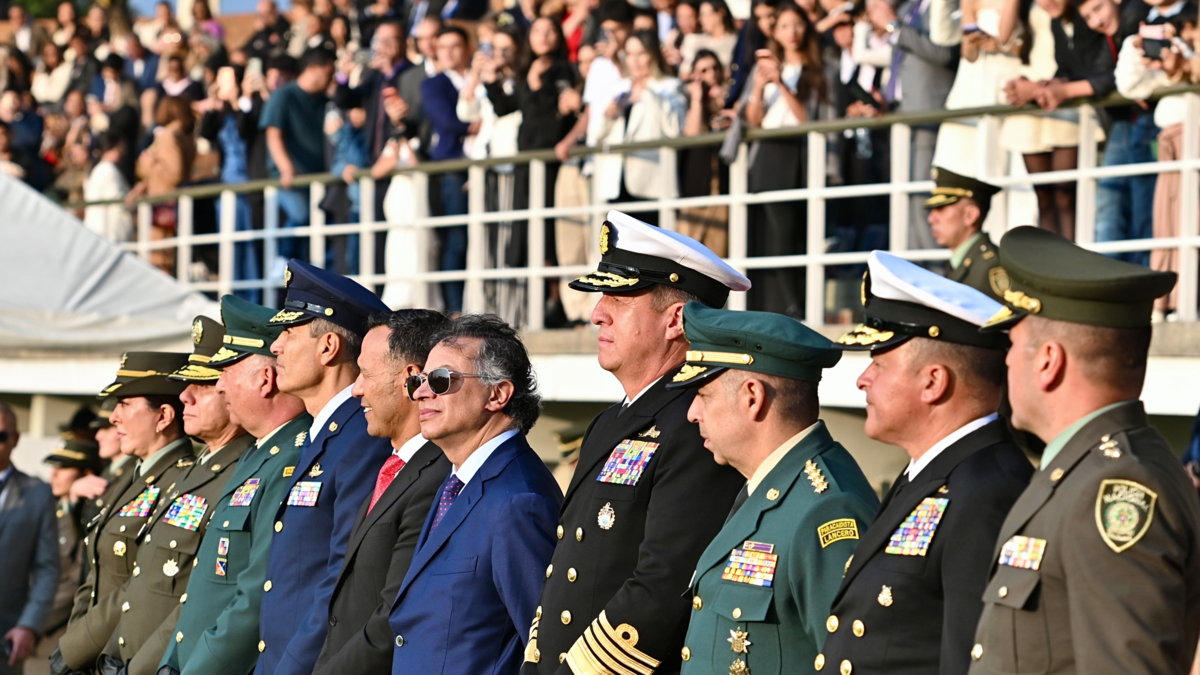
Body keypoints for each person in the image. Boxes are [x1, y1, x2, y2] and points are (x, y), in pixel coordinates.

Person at [523, 211, 750, 675]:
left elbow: (663, 587)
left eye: (619, 299)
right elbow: (563, 570)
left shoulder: (695, 424)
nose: (597, 313)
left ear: (675, 320)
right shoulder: (610, 422)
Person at [969, 227, 1200, 674]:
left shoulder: (1114, 487)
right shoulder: (1085, 468)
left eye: (1011, 345)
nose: (1006, 360)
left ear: (1048, 361)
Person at [821, 251, 1033, 675]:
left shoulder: (989, 491)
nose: (863, 379)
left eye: (879, 363)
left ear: (933, 382)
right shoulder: (936, 471)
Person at [673, 303, 879, 674]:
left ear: (752, 397)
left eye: (703, 394)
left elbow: (855, 664)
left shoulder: (826, 509)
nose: (692, 413)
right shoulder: (771, 485)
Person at [389, 314, 562, 675]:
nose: (420, 393)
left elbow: (545, 649)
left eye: (441, 380)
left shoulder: (518, 501)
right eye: (418, 381)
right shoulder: (458, 481)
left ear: (497, 394)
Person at [94, 318, 255, 675]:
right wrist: (108, 651)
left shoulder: (240, 475)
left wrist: (139, 667)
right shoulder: (193, 472)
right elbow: (140, 583)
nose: (185, 395)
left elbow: (200, 596)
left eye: (203, 384)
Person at [255, 260, 393, 675]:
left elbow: (341, 579)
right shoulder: (324, 433)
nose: (275, 347)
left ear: (328, 347)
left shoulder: (362, 438)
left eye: (289, 333)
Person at [158, 296, 310, 675]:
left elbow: (256, 592)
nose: (220, 385)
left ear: (265, 379)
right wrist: (170, 662)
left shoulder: (291, 457)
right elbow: (202, 591)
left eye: (226, 370)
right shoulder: (259, 453)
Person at [311, 310, 452, 675]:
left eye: (366, 374)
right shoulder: (395, 465)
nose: (356, 388)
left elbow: (393, 615)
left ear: (409, 379)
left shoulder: (437, 476)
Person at [54, 353, 195, 674]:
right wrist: (74, 642)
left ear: (163, 416)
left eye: (125, 404)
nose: (114, 417)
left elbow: (146, 584)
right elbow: (95, 574)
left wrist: (78, 645)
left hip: (126, 657)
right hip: (92, 652)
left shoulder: (180, 483)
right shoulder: (132, 478)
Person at [741, 1, 829, 317]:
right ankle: (792, 304)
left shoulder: (818, 67)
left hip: (801, 152)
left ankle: (804, 301)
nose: (792, 32)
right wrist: (758, 87)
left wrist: (780, 82)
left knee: (802, 231)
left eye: (798, 24)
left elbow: (807, 117)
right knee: (780, 232)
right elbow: (753, 121)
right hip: (770, 154)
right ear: (775, 32)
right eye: (784, 26)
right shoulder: (764, 69)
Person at [865, 0, 959, 250]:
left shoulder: (948, 4)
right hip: (901, 115)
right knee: (903, 201)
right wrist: (884, 99)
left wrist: (894, 26)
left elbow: (945, 54)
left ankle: (932, 269)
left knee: (921, 198)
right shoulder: (908, 7)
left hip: (929, 113)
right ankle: (911, 265)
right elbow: (901, 60)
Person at [595, 30, 685, 225]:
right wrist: (609, 114)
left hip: (650, 186)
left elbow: (675, 130)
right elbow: (596, 135)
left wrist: (647, 93)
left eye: (641, 53)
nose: (634, 61)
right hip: (615, 185)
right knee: (614, 242)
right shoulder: (617, 88)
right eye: (629, 54)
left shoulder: (670, 86)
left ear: (653, 55)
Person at [261, 47, 336, 268]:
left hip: (318, 179)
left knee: (319, 222)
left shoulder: (324, 100)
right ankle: (283, 262)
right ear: (313, 69)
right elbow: (273, 134)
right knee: (301, 215)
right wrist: (286, 167)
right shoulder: (283, 96)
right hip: (289, 179)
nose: (331, 78)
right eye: (328, 72)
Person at [421, 25, 477, 314]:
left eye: (455, 46)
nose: (449, 52)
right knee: (456, 239)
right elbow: (446, 120)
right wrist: (473, 126)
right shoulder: (433, 84)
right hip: (452, 169)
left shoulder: (480, 76)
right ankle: (455, 309)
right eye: (443, 47)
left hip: (484, 165)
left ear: (468, 48)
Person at [0, 402, 59, 675]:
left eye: (1, 436)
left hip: (6, 637)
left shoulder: (38, 494)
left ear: (15, 439)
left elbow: (47, 568)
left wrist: (29, 625)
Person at [35, 440, 102, 675]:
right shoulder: (50, 507)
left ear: (87, 474)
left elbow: (75, 580)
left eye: (63, 468)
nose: (54, 474)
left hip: (50, 633)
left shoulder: (87, 516)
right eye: (54, 467)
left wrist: (31, 617)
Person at [126, 96, 197, 276]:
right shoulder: (183, 136)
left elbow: (175, 174)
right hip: (169, 204)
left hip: (164, 205)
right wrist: (143, 186)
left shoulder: (169, 136)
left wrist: (149, 163)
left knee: (162, 260)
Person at [926, 167, 1004, 301]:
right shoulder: (962, 262)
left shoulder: (989, 268)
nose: (931, 218)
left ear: (970, 215)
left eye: (941, 208)